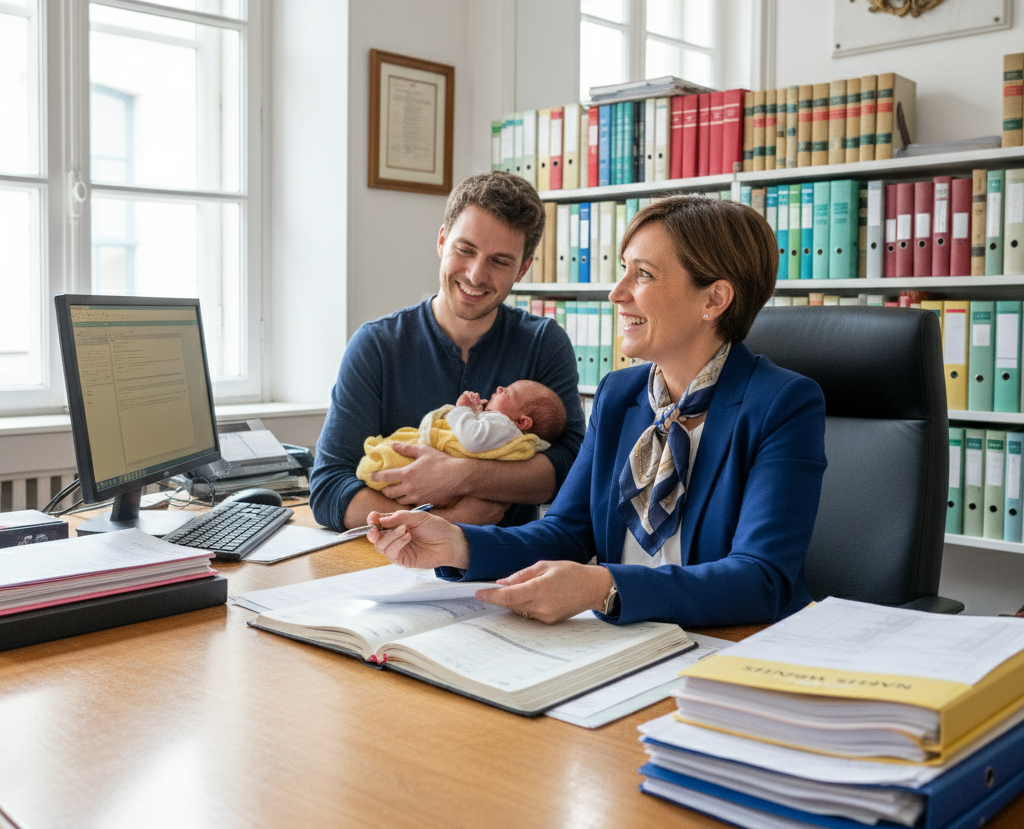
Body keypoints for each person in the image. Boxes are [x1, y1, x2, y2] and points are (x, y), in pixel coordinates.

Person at [367, 193, 828, 629]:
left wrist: (604, 587)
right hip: (623, 643)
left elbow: (762, 578)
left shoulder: (782, 404)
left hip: (728, 650)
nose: (617, 293)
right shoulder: (619, 394)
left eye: (643, 274)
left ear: (713, 299)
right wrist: (459, 544)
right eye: (623, 270)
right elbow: (566, 531)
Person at [309, 171, 586, 531]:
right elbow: (329, 488)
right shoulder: (376, 346)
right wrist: (447, 521)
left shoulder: (543, 343)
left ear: (523, 268)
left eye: (499, 261)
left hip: (503, 569)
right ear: (442, 241)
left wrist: (462, 476)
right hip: (388, 570)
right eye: (465, 250)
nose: (475, 275)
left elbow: (571, 469)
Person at [356, 382, 567, 491]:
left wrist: (462, 409)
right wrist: (475, 413)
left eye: (508, 393)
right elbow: (481, 434)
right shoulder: (503, 429)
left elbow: (472, 440)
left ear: (522, 422)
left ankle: (378, 459)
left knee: (393, 453)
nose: (500, 387)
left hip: (442, 458)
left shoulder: (504, 423)